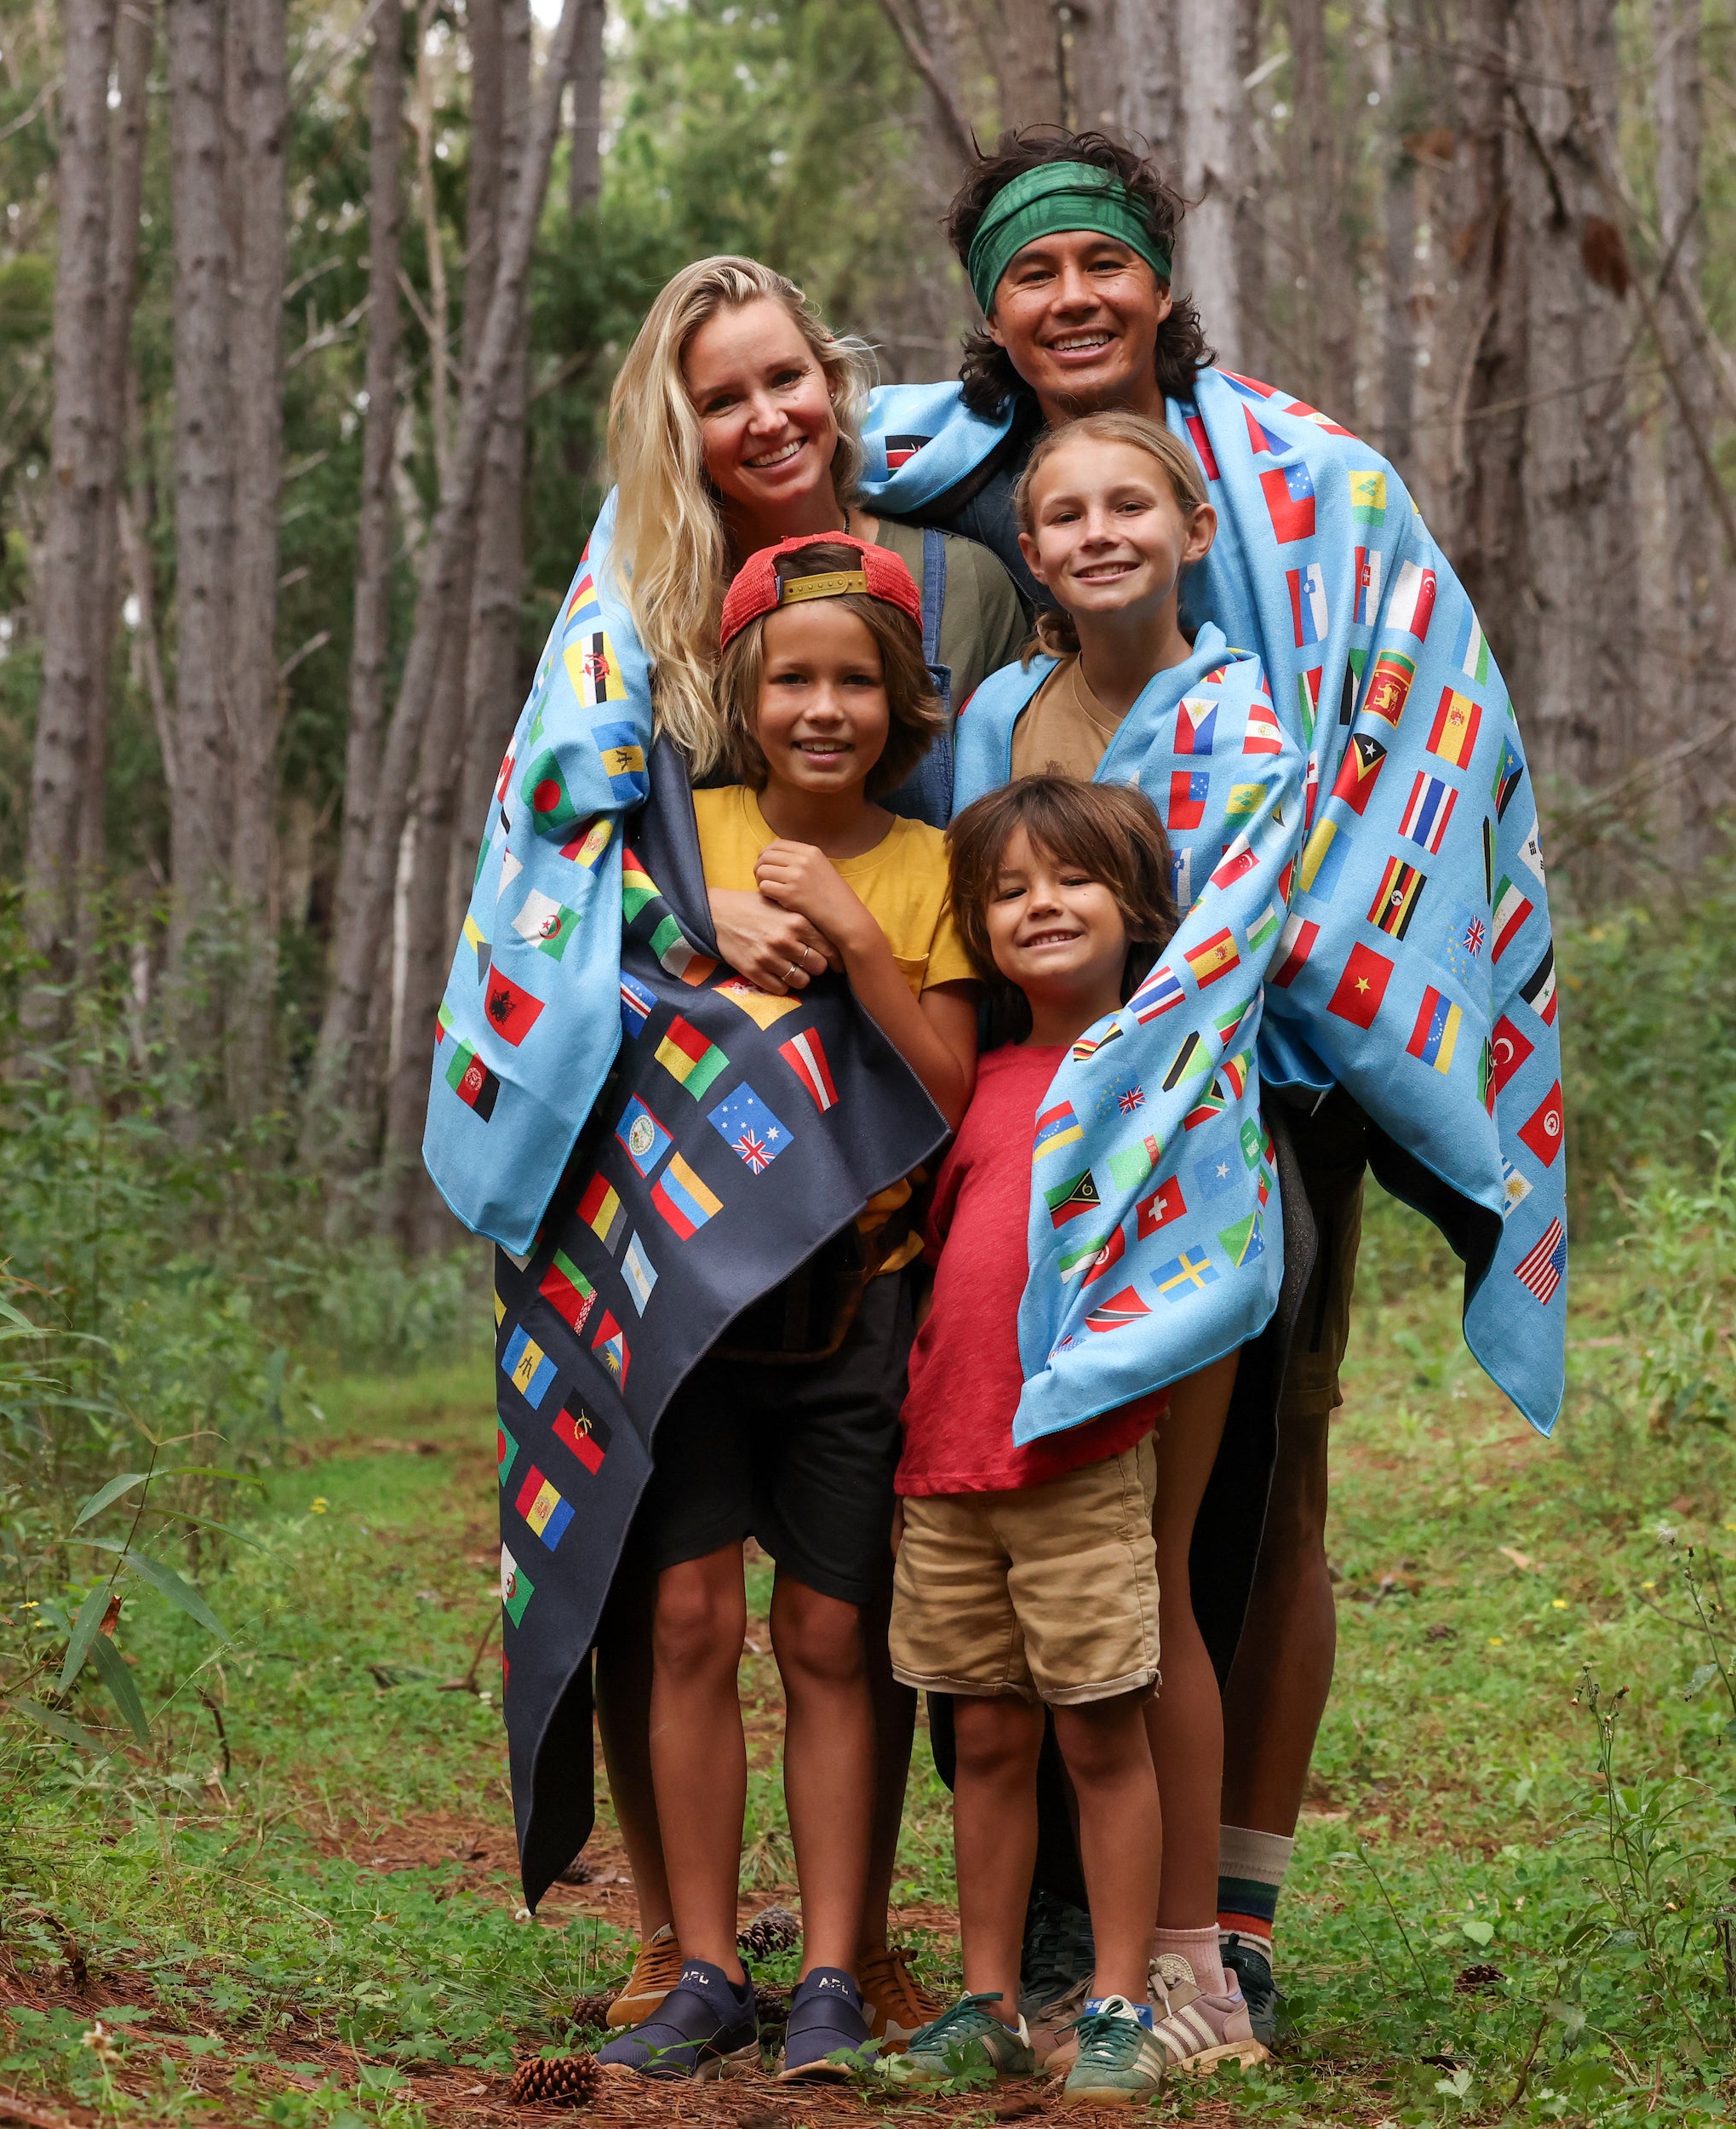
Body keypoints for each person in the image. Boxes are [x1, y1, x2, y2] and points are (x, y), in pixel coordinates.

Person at [855, 129, 1569, 2043]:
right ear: (992, 320)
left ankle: (1220, 1919)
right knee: (1052, 1487)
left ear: (1161, 280)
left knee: (1260, 1491)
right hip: (1038, 1098)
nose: (1071, 297)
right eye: (1030, 274)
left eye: (1103, 261)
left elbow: (1423, 728)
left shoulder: (1310, 482)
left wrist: (1319, 979)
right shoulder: (982, 510)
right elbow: (756, 456)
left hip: (1280, 1057)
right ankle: (1071, 1934)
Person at [582, 255, 1026, 2051]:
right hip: (689, 1289)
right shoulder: (671, 825)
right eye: (792, 686)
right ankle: (697, 1957)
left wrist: (847, 924)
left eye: (858, 684)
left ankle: (836, 1961)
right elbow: (587, 963)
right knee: (684, 1613)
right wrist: (684, 943)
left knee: (835, 1639)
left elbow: (940, 1066)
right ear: (739, 698)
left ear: (905, 703)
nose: (823, 711)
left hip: (864, 1296)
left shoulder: (920, 869)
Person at [953, 410, 1269, 2072]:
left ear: (1190, 521)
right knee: (1019, 1590)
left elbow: (1238, 937)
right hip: (1019, 1176)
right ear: (1029, 549)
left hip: (1184, 1180)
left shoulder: (1236, 716)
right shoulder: (1003, 712)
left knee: (1159, 1571)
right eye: (1057, 510)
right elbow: (978, 901)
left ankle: (1191, 1964)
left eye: (1125, 501)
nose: (1091, 529)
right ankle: (1030, 1971)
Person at [878, 777, 1185, 2108]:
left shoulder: (1160, 1070)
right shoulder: (975, 1082)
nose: (1040, 907)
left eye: (1070, 882)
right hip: (946, 1467)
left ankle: (1120, 2002)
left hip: (1078, 1461)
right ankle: (987, 1998)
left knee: (1101, 1738)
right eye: (1008, 891)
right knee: (985, 1743)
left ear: (1135, 910)